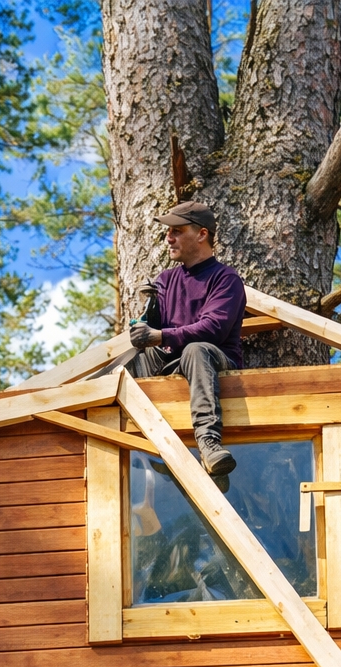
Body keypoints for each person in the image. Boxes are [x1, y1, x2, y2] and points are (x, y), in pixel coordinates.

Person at [128, 200, 246, 484]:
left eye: (177, 231)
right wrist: (148, 320)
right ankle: (150, 447)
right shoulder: (166, 280)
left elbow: (213, 328)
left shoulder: (225, 278)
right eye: (168, 232)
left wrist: (161, 335)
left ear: (202, 234)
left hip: (215, 360)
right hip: (174, 362)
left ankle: (208, 443)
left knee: (196, 349)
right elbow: (157, 335)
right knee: (130, 362)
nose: (168, 238)